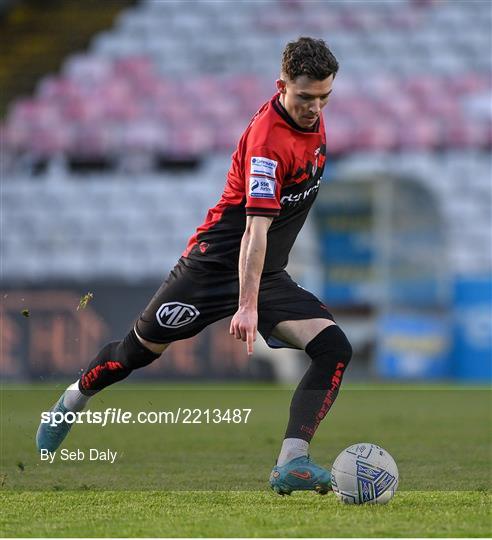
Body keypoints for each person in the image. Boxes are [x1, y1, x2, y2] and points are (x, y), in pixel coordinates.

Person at [36, 36, 352, 496]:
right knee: (135, 353)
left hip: (264, 274)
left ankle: (292, 462)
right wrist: (246, 307)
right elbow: (254, 233)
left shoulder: (314, 122)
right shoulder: (268, 141)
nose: (315, 108)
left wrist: (257, 292)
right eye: (305, 97)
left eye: (325, 97)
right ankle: (72, 399)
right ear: (281, 85)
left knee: (334, 348)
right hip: (213, 268)